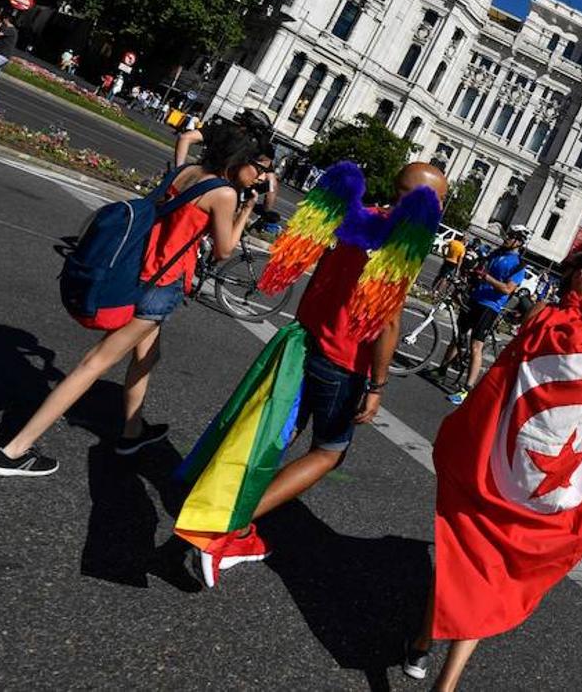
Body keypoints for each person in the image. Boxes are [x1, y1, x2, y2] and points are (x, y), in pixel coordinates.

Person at [176, 162, 448, 586]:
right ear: (426, 202)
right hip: (342, 363)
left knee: (279, 434)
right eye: (441, 200)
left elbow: (320, 274)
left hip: (306, 341)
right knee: (328, 452)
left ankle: (221, 507)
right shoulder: (404, 243)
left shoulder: (359, 218)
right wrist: (378, 385)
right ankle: (228, 526)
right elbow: (388, 323)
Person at [403, 251, 582, 689]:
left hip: (501, 467)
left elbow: (501, 382)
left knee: (465, 553)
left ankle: (421, 644)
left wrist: (461, 434)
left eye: (566, 272)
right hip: (547, 490)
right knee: (494, 575)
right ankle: (446, 682)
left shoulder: (545, 321)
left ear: (577, 276)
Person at [0, 122, 270, 477]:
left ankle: (132, 432)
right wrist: (245, 210)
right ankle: (13, 451)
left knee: (149, 356)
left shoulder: (188, 171)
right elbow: (224, 251)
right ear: (238, 158)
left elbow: (188, 139)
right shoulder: (223, 193)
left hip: (139, 269)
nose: (259, 175)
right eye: (256, 166)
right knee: (95, 363)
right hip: (160, 284)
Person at [432, 226, 528, 404]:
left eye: (511, 236)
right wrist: (466, 282)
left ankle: (466, 389)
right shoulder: (495, 254)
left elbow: (508, 289)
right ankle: (441, 371)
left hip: (490, 306)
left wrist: (487, 278)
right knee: (457, 337)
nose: (506, 238)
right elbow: (477, 272)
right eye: (507, 235)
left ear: (519, 242)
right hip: (475, 298)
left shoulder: (519, 265)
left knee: (476, 346)